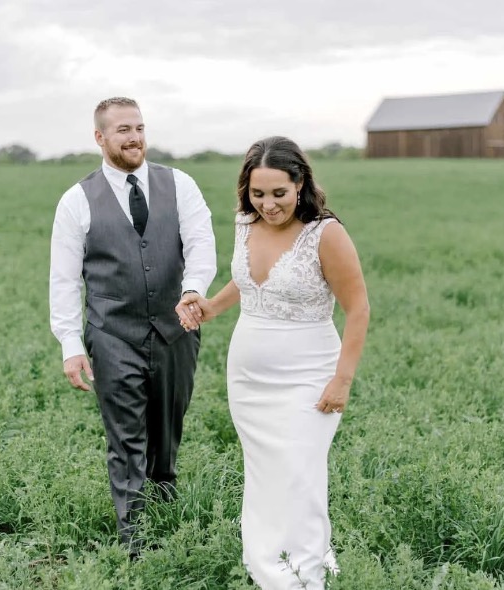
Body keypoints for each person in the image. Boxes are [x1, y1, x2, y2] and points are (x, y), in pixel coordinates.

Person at [176, 136, 369, 589]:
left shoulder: (326, 233)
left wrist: (342, 380)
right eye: (258, 194)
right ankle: (269, 563)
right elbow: (247, 281)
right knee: (265, 472)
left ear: (300, 184)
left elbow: (358, 308)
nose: (268, 205)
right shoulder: (246, 223)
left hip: (310, 374)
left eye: (278, 193)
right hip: (248, 378)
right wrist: (210, 307)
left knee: (299, 472)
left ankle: (306, 571)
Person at [49, 97, 216, 556]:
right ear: (100, 138)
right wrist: (69, 344)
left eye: (139, 127)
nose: (134, 137)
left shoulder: (179, 184)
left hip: (176, 329)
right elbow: (63, 280)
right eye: (123, 129)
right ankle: (136, 544)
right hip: (112, 336)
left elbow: (201, 242)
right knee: (126, 440)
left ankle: (166, 522)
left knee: (166, 437)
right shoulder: (76, 201)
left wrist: (193, 288)